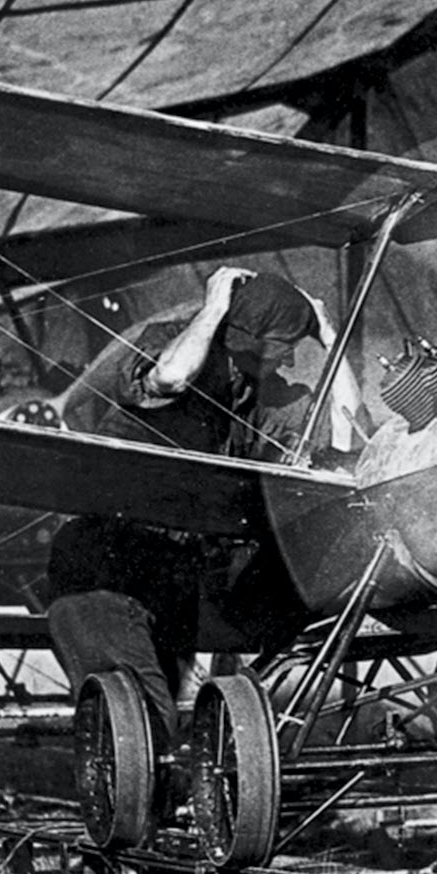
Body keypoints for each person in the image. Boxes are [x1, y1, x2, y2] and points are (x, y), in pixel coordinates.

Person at [45, 267, 357, 743]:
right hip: (103, 569)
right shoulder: (171, 344)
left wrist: (331, 334)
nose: (293, 355)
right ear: (248, 338)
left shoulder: (261, 399)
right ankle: (131, 809)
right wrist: (213, 309)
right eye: (284, 341)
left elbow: (345, 438)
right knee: (142, 725)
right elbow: (169, 379)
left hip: (173, 573)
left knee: (165, 729)